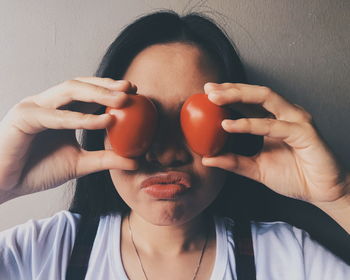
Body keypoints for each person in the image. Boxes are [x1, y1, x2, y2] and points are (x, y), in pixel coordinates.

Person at [0, 10, 349, 280]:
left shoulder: (287, 259)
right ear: (99, 127)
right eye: (142, 118)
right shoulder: (38, 255)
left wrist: (338, 196)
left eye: (194, 118)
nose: (167, 153)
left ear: (236, 129)